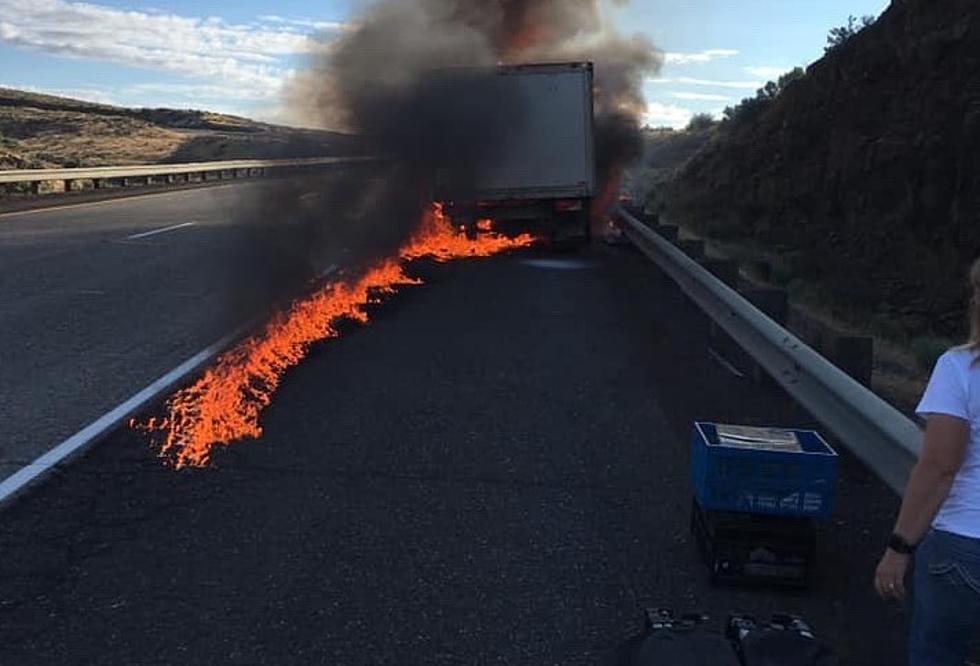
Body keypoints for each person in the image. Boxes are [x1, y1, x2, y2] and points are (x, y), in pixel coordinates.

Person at [875, 256, 980, 665]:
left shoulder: (960, 369)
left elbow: (938, 467)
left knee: (939, 653)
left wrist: (898, 549)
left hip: (964, 547)